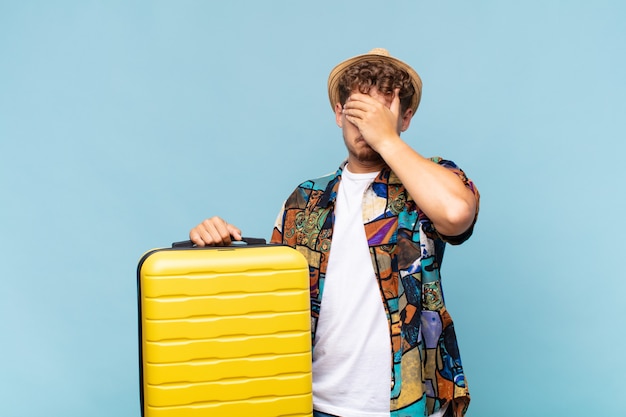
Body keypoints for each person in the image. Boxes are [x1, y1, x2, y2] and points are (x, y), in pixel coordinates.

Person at [189, 48, 480, 417]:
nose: (367, 123)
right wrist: (220, 249)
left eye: (382, 111)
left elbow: (456, 214)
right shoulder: (304, 200)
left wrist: (386, 140)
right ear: (340, 114)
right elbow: (268, 305)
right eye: (359, 110)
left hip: (409, 405)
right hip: (310, 404)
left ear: (405, 119)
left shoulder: (433, 178)